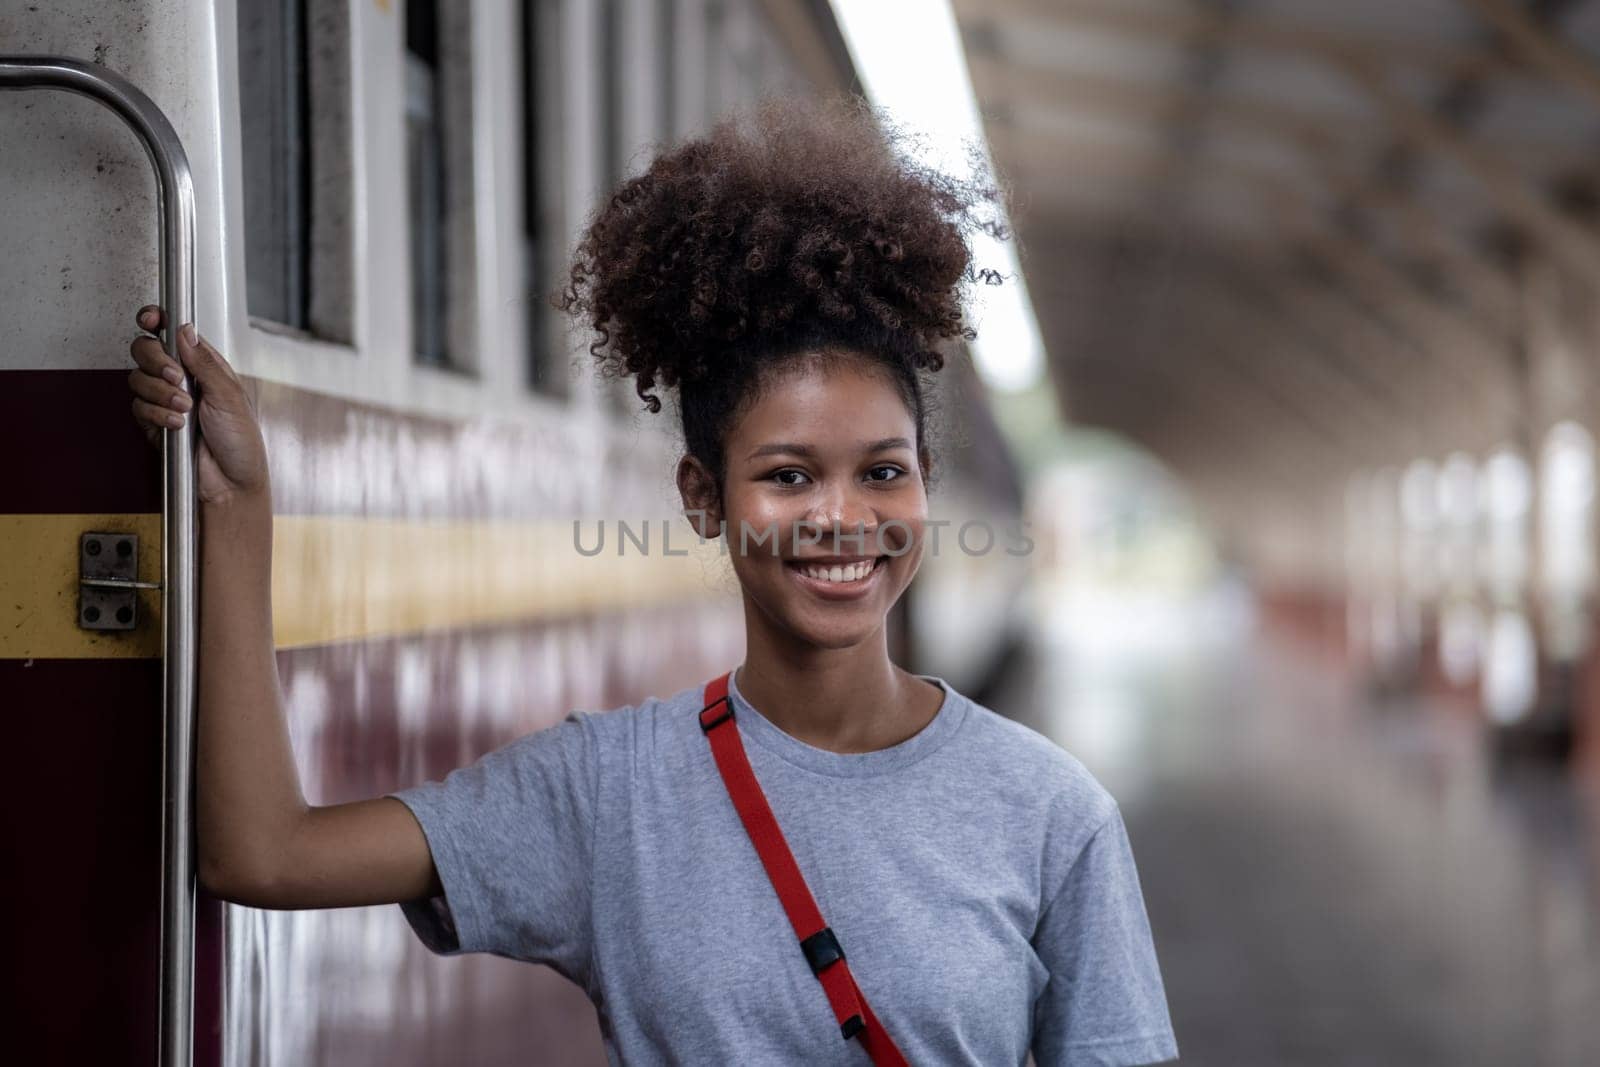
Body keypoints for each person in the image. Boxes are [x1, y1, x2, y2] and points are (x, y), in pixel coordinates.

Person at [125, 95, 1178, 1066]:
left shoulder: (1052, 813)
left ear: (926, 487)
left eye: (882, 472)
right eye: (787, 474)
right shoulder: (605, 791)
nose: (841, 517)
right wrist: (237, 512)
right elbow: (262, 854)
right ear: (702, 494)